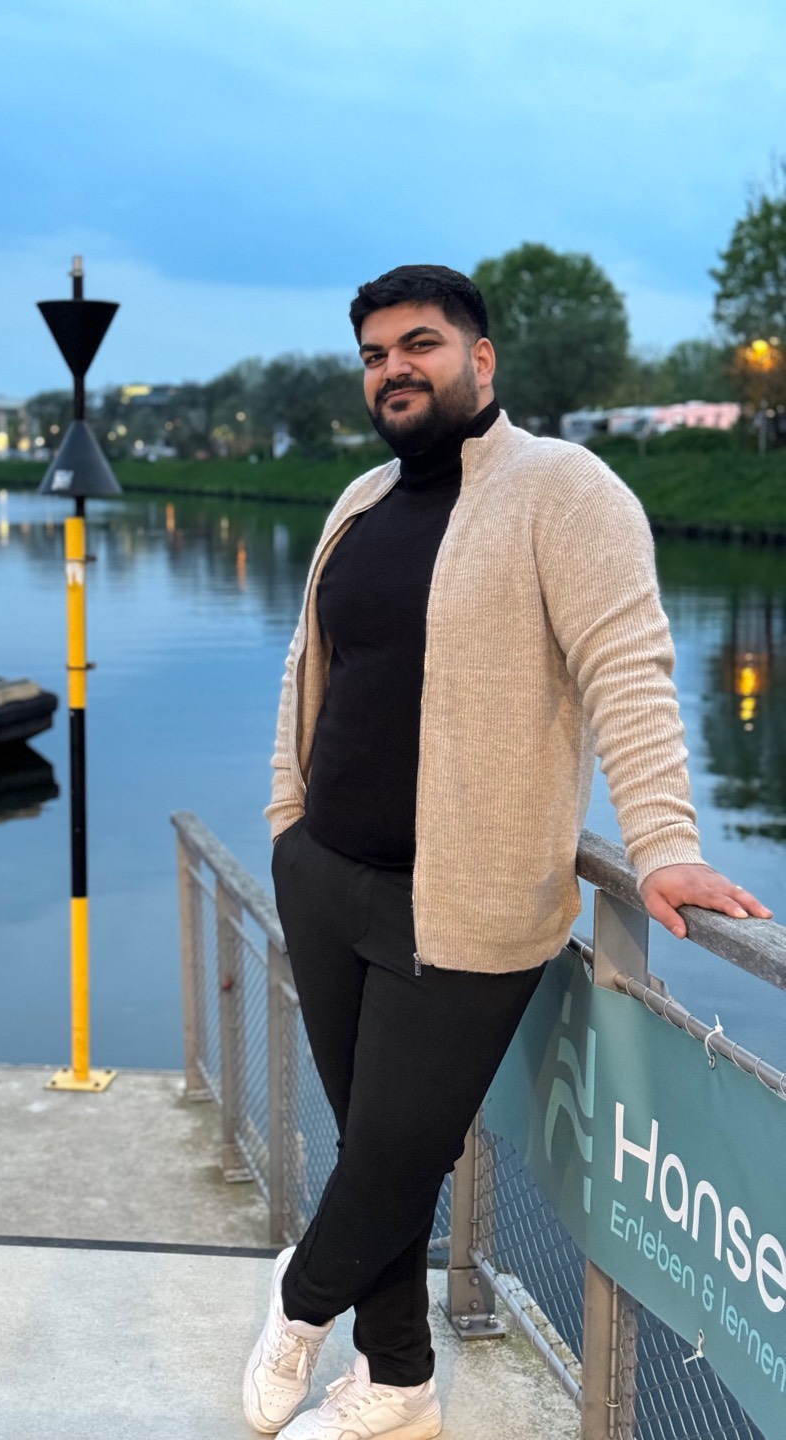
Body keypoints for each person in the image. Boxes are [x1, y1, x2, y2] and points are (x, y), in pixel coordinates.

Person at [241, 264, 772, 1440]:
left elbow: (628, 672)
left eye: (419, 344)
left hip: (471, 902)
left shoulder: (563, 492)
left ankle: (300, 1298)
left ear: (480, 360)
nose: (394, 369)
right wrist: (287, 819)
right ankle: (399, 1384)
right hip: (325, 879)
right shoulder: (360, 502)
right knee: (373, 1151)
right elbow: (307, 669)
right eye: (375, 354)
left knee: (398, 1152)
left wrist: (664, 844)